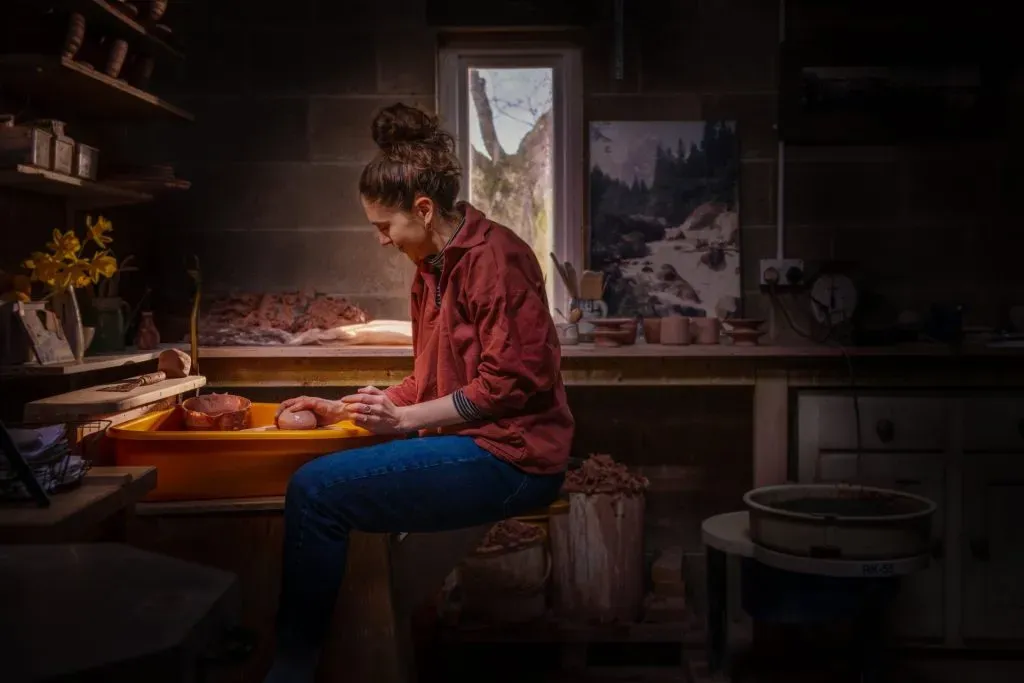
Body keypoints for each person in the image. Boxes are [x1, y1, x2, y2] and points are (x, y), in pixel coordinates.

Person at [263, 103, 574, 682]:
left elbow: (507, 386)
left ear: (424, 210)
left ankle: (292, 668)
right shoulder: (430, 266)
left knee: (314, 491)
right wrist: (348, 410)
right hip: (476, 442)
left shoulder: (497, 259)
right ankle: (360, 647)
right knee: (328, 471)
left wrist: (403, 421)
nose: (381, 239)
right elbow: (431, 381)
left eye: (385, 226)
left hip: (515, 455)